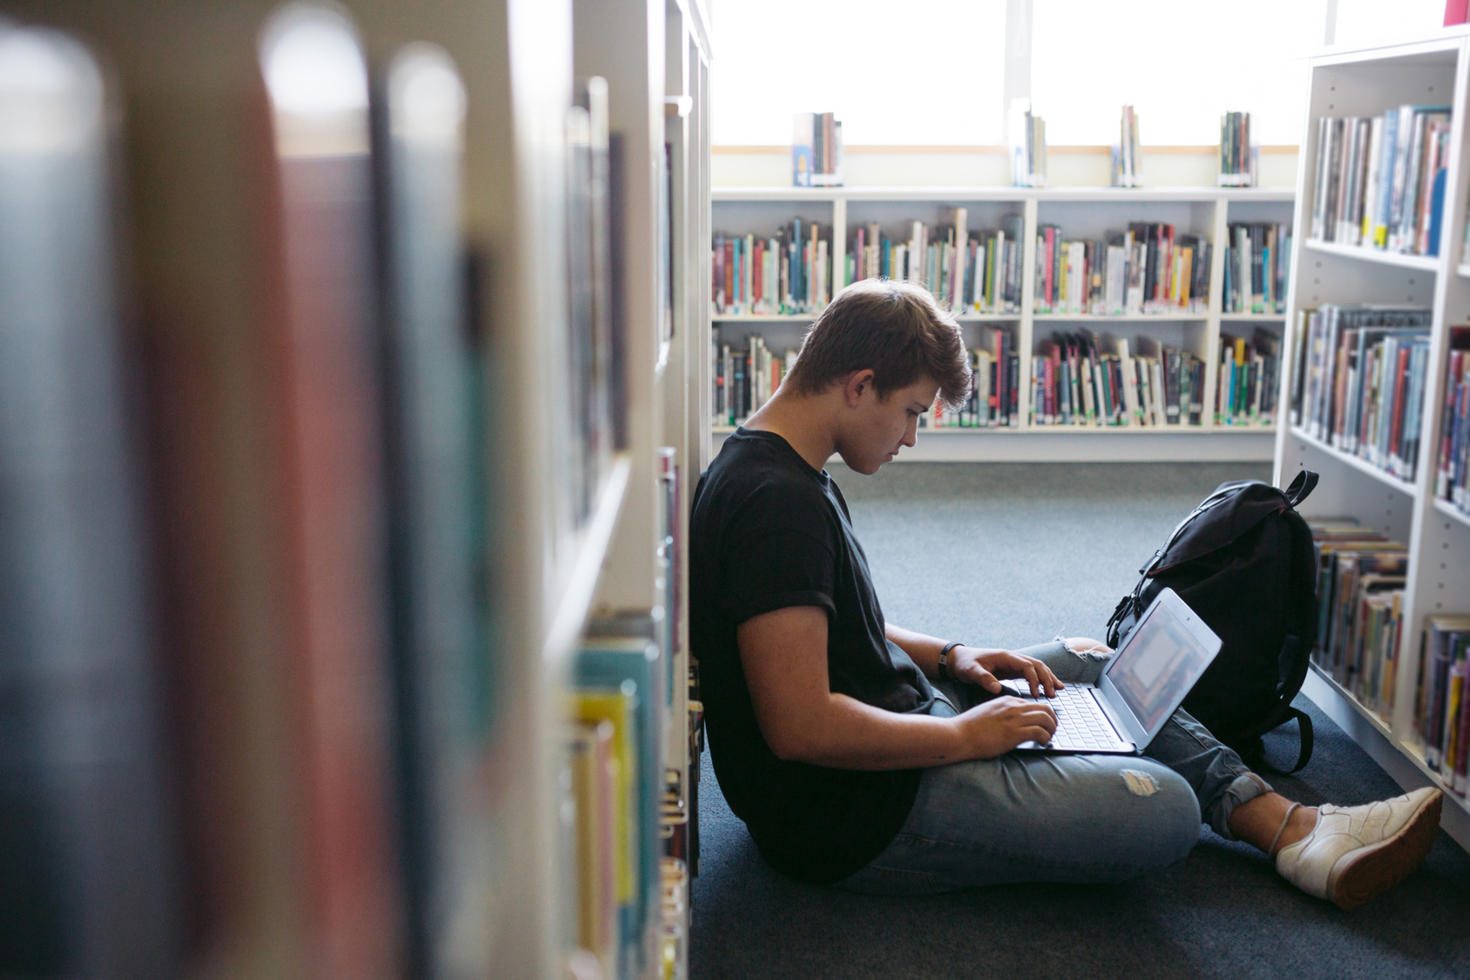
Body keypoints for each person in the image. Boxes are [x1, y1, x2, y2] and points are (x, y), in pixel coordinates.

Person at [688, 278, 1442, 911]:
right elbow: (799, 726)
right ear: (859, 386)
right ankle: (1224, 806)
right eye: (913, 411)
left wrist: (952, 653)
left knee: (1087, 661)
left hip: (896, 729)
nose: (911, 437)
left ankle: (1292, 830)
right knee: (1166, 809)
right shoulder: (775, 508)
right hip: (855, 815)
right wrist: (964, 738)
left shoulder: (774, 465)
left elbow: (837, 627)